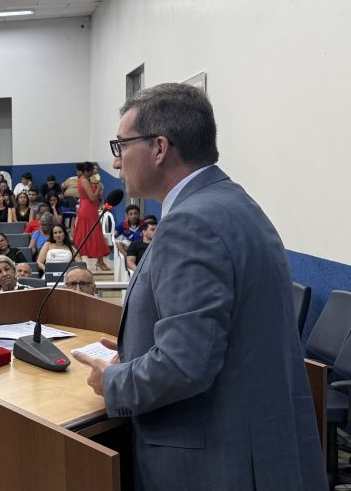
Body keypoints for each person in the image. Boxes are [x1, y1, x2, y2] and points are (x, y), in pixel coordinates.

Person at [69, 83, 326, 490]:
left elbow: (185, 364)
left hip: (217, 463)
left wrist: (114, 380)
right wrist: (138, 350)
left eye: (121, 146)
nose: (116, 164)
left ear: (159, 147)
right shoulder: (233, 202)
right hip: (258, 447)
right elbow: (220, 333)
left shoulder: (191, 224)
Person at [71, 162, 111, 271]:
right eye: (93, 170)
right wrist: (99, 188)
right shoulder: (84, 181)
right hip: (87, 209)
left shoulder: (86, 180)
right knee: (93, 234)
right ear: (87, 171)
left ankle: (100, 261)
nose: (95, 171)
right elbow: (92, 197)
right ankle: (96, 261)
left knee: (95, 234)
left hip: (89, 208)